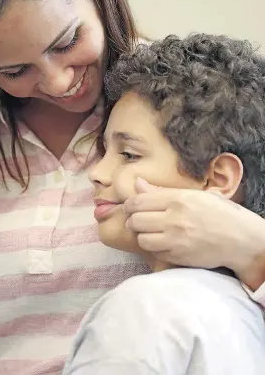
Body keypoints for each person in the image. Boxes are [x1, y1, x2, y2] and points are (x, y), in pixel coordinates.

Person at [0, 0, 264, 373]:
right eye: (14, 70)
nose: (57, 82)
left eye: (68, 42)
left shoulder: (188, 100)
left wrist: (253, 249)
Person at [64, 35, 265, 374]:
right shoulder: (246, 318)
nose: (97, 173)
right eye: (104, 152)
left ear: (219, 179)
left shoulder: (145, 309)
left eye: (129, 155)